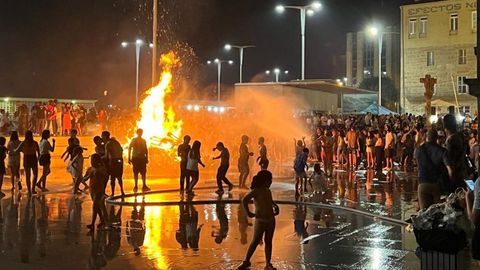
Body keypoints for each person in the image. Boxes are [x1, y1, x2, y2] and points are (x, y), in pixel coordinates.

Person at [237, 172, 279, 270]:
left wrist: (275, 206)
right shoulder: (255, 191)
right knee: (255, 241)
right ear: (265, 181)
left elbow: (270, 201)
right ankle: (246, 261)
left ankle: (268, 263)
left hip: (270, 219)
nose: (271, 182)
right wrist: (248, 213)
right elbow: (244, 200)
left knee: (268, 241)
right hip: (260, 220)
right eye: (270, 180)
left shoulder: (268, 191)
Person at [415, 129, 448, 209]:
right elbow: (448, 168)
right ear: (436, 137)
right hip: (435, 183)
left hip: (422, 184)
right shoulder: (441, 151)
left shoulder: (419, 149)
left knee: (424, 214)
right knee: (438, 212)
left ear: (426, 137)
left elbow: (417, 165)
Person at [83, 154, 109, 231]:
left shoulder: (101, 169)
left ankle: (92, 224)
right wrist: (88, 176)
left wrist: (103, 188)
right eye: (91, 160)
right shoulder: (90, 169)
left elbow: (106, 177)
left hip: (99, 190)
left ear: (97, 161)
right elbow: (84, 179)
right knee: (98, 207)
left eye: (93, 160)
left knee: (95, 206)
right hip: (92, 190)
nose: (91, 162)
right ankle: (103, 221)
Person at [444, 114, 468, 190]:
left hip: (455, 172)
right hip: (463, 169)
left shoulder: (451, 139)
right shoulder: (461, 135)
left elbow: (450, 157)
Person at [14, 130, 40, 196]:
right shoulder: (35, 143)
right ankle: (33, 189)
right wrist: (38, 159)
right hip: (33, 158)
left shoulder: (23, 143)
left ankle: (29, 190)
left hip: (26, 158)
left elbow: (16, 150)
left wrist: (24, 151)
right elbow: (39, 153)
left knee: (28, 176)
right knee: (35, 174)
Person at [102, 131, 125, 196]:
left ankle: (113, 193)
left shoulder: (108, 144)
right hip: (120, 160)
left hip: (113, 161)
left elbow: (106, 156)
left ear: (105, 136)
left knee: (113, 177)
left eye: (102, 136)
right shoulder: (116, 142)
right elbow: (121, 150)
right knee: (119, 177)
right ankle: (122, 191)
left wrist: (99, 157)